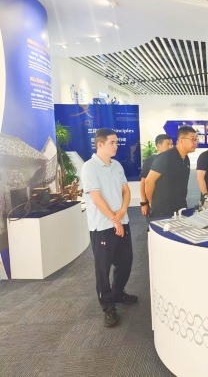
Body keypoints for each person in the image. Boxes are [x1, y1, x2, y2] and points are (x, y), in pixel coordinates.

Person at [81, 128, 137, 328]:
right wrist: (115, 219)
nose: (116, 146)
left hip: (121, 220)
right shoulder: (89, 167)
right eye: (112, 142)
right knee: (103, 268)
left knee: (126, 261)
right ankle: (107, 306)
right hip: (102, 226)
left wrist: (122, 211)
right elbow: (96, 198)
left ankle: (118, 293)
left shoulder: (117, 165)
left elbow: (126, 190)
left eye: (116, 142)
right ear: (100, 144)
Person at [145, 126, 197, 217]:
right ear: (181, 140)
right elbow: (149, 181)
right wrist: (152, 202)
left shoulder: (186, 159)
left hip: (180, 207)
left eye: (196, 140)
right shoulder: (166, 157)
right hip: (163, 210)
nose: (195, 143)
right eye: (192, 139)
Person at [139, 134, 172, 225]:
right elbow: (143, 183)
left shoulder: (172, 160)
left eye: (171, 144)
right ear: (158, 146)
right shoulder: (149, 161)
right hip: (154, 203)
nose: (170, 147)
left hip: (170, 204)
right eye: (167, 144)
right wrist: (144, 203)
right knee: (155, 227)